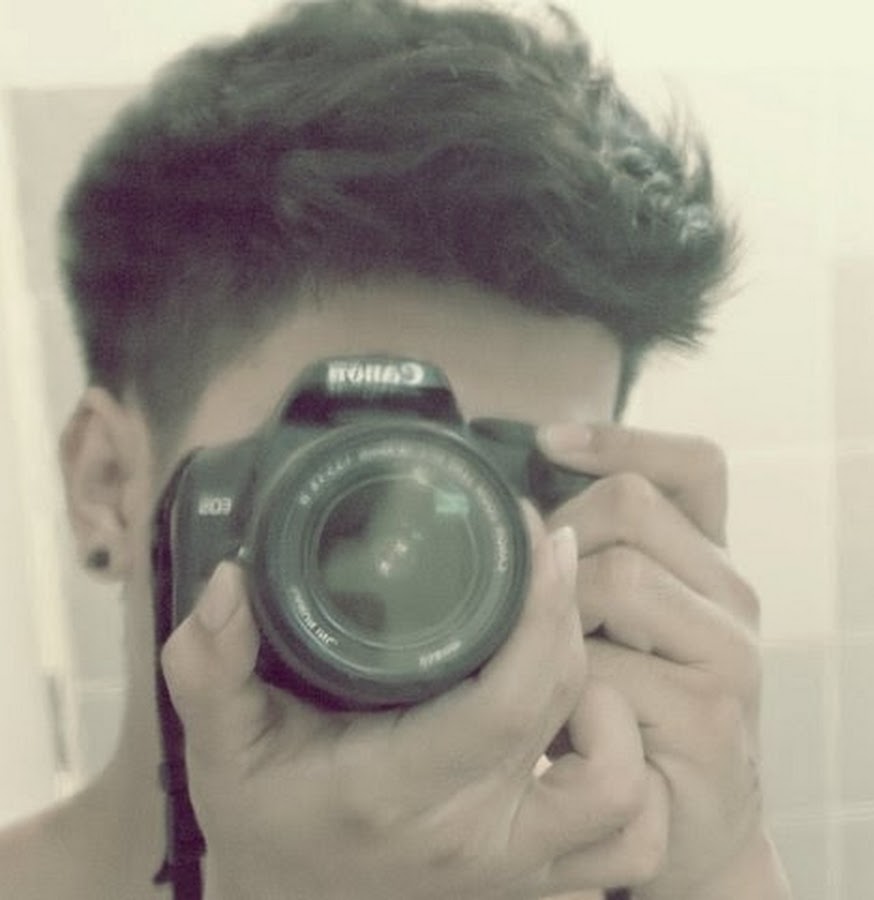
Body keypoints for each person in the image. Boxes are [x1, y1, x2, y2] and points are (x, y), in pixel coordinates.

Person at [0, 0, 793, 897]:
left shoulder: (620, 864)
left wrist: (725, 867)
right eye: (353, 496)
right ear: (106, 484)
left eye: (495, 489)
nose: (424, 578)